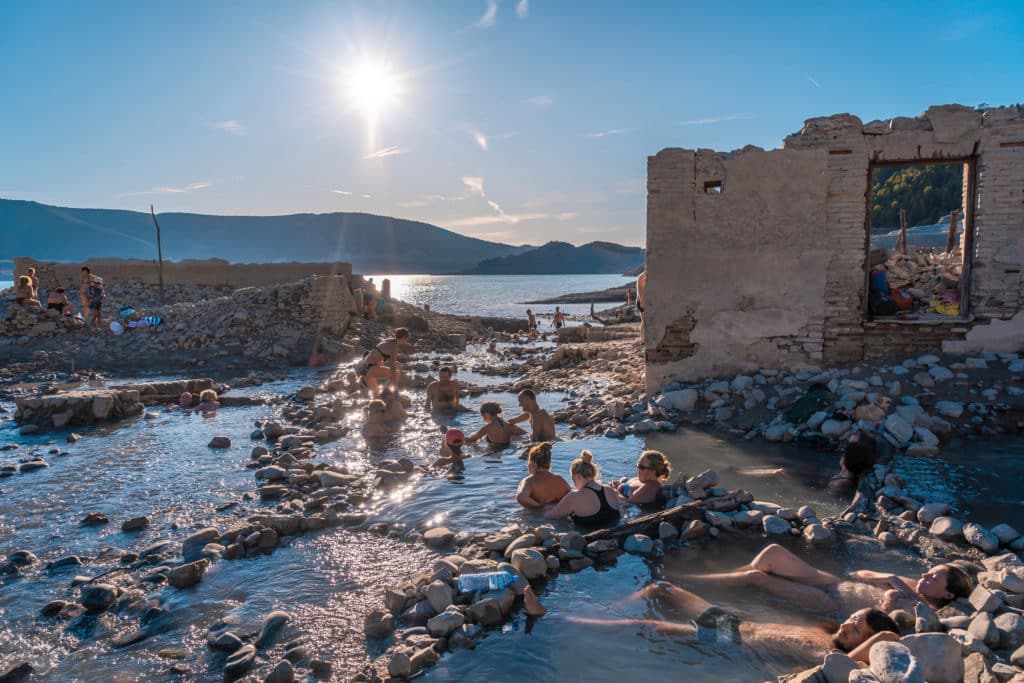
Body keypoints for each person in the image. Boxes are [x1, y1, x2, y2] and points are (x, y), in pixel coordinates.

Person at [571, 582, 899, 665]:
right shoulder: (825, 630)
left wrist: (885, 635)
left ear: (864, 643)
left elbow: (860, 658)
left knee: (647, 626)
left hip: (730, 641)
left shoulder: (833, 657)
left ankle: (580, 623)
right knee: (662, 587)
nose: (847, 625)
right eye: (852, 619)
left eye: (856, 629)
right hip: (734, 624)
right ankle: (606, 610)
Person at [677, 542, 974, 615]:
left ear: (947, 595)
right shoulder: (909, 583)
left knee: (757, 576)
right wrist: (892, 578)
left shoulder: (925, 611)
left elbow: (882, 614)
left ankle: (695, 581)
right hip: (834, 583)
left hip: (832, 604)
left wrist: (893, 594)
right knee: (773, 553)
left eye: (934, 577)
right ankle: (728, 577)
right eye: (930, 570)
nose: (926, 574)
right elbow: (858, 573)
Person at [546, 450, 622, 527]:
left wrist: (546, 507)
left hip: (590, 534)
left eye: (573, 479)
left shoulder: (574, 496)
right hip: (618, 531)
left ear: (578, 476)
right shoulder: (609, 489)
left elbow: (550, 517)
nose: (574, 484)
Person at [355, 328, 410, 397]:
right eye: (406, 339)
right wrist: (395, 388)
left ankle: (382, 395)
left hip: (364, 368)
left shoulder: (388, 340)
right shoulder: (393, 348)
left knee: (377, 396)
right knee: (397, 373)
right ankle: (385, 393)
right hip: (370, 368)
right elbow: (392, 367)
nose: (406, 342)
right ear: (403, 338)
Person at [516, 442, 571, 509]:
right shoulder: (559, 479)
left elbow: (521, 497)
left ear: (532, 464)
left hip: (536, 514)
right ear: (549, 463)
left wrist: (538, 505)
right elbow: (571, 495)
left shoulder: (529, 481)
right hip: (556, 511)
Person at [827, 431, 878, 496]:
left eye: (852, 444)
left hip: (844, 483)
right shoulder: (847, 456)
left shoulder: (858, 462)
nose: (848, 447)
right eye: (848, 444)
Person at [636, 268, 647, 342]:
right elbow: (640, 291)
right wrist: (642, 302)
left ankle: (643, 339)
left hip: (641, 301)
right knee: (644, 321)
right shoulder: (642, 277)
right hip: (641, 302)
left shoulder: (642, 276)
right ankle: (643, 340)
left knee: (644, 320)